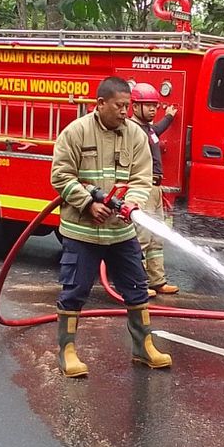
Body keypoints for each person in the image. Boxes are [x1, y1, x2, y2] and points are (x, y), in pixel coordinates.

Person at [48, 76, 172, 378]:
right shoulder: (75, 132)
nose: (124, 112)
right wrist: (88, 203)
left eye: (128, 106)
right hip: (83, 232)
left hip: (121, 232)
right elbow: (61, 176)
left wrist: (132, 203)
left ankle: (144, 347)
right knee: (75, 290)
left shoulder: (135, 135)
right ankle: (67, 352)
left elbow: (143, 177)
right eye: (119, 106)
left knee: (137, 288)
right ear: (100, 104)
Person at [128, 82, 179, 297]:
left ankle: (157, 281)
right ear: (135, 106)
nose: (152, 109)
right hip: (144, 188)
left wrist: (168, 116)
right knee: (142, 238)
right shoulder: (131, 130)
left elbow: (156, 130)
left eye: (154, 106)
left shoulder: (148, 129)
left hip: (156, 188)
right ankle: (137, 284)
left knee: (157, 238)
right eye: (147, 105)